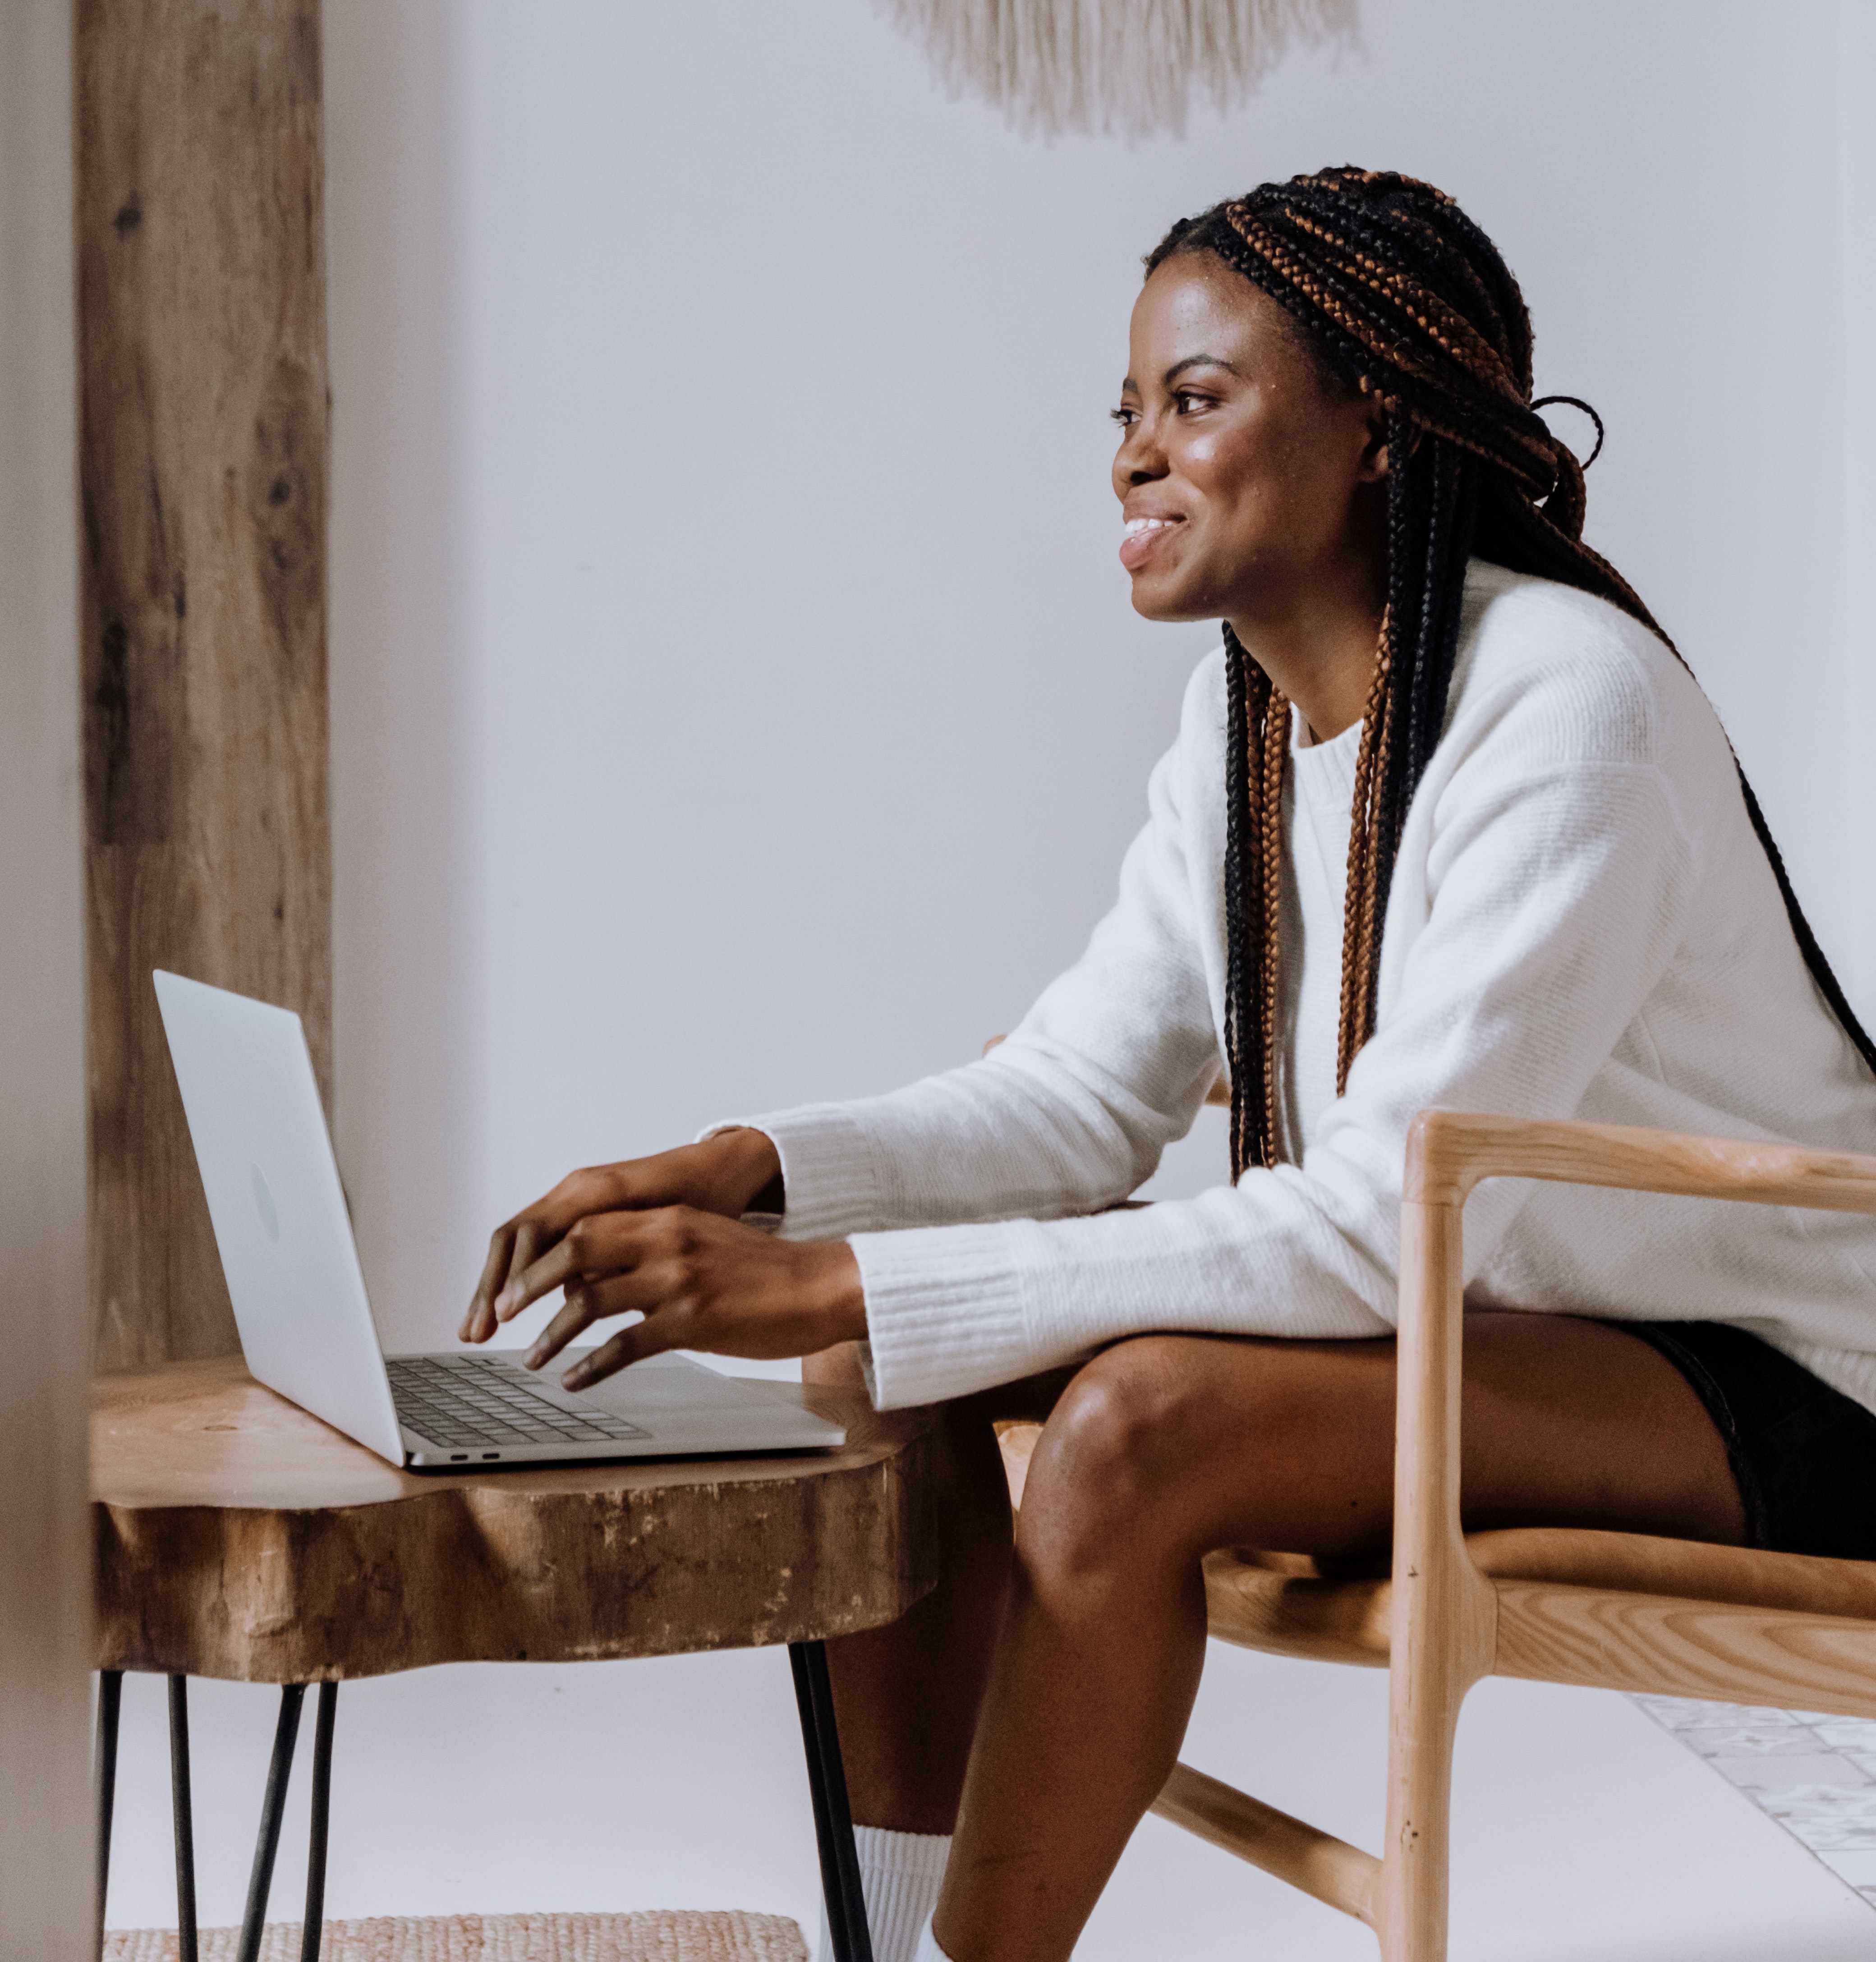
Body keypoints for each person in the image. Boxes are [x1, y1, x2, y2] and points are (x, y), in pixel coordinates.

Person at [462, 168, 1876, 1962]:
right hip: (1503, 1321)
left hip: (1791, 1372)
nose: (1133, 455)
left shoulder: (1563, 705)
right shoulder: (1243, 727)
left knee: (1131, 1423)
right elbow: (1074, 1097)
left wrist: (830, 1268)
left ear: (1371, 425)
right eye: (1125, 412)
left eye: (1192, 401)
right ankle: (890, 1943)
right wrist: (749, 1171)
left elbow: (1367, 1225)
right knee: (874, 1362)